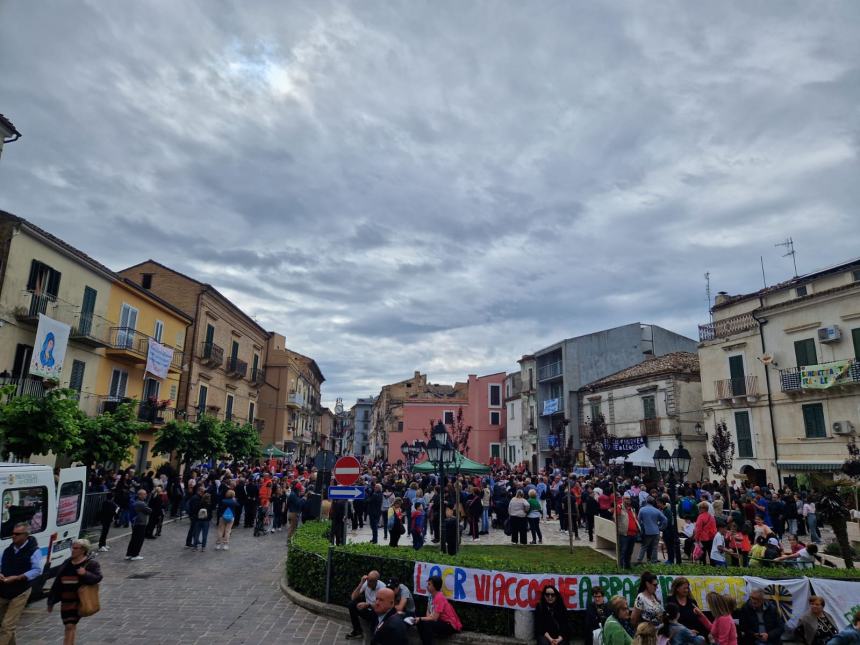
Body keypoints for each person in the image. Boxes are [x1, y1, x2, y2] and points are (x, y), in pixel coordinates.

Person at [47, 539, 103, 645]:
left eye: (75, 548)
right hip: (66, 600)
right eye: (72, 547)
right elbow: (57, 583)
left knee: (70, 625)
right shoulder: (67, 562)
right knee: (68, 626)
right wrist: (51, 601)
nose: (72, 550)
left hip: (79, 600)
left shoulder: (91, 564)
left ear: (83, 550)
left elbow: (98, 578)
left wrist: (85, 574)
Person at [0, 523, 44, 643]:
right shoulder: (8, 550)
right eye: (13, 533)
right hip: (4, 590)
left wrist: (19, 577)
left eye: (17, 534)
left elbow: (37, 570)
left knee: (7, 625)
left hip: (21, 591)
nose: (13, 536)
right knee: (5, 625)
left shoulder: (34, 551)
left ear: (26, 535)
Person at [416, 575, 462, 645]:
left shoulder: (439, 597)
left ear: (435, 586)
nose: (427, 586)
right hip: (440, 621)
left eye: (429, 584)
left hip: (449, 625)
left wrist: (420, 618)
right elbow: (428, 615)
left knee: (425, 623)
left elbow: (434, 618)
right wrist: (420, 619)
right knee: (420, 622)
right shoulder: (431, 596)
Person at [346, 570, 387, 640]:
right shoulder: (366, 583)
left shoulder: (383, 588)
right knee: (351, 604)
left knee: (374, 636)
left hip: (377, 613)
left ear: (376, 581)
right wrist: (361, 583)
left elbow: (382, 608)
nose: (368, 583)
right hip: (368, 610)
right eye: (368, 580)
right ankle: (357, 631)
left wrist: (368, 605)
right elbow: (353, 597)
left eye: (371, 581)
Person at [636, 497, 667, 565]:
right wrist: (661, 528)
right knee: (654, 547)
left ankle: (639, 560)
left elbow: (638, 521)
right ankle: (654, 561)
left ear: (646, 501)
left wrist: (641, 528)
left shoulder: (642, 510)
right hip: (656, 531)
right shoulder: (657, 510)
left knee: (644, 546)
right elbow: (665, 520)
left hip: (646, 531)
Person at [125, 489, 151, 560]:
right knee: (139, 539)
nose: (145, 495)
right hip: (140, 523)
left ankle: (129, 554)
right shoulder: (141, 503)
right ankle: (135, 554)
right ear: (140, 495)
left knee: (133, 539)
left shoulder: (135, 502)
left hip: (135, 522)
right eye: (144, 494)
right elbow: (149, 511)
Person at [618, 495, 640, 569]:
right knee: (623, 551)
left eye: (629, 499)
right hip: (624, 534)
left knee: (630, 551)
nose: (628, 500)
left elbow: (635, 519)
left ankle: (627, 565)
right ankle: (621, 566)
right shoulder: (619, 508)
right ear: (623, 499)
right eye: (626, 499)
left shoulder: (632, 509)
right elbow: (615, 517)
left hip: (633, 534)